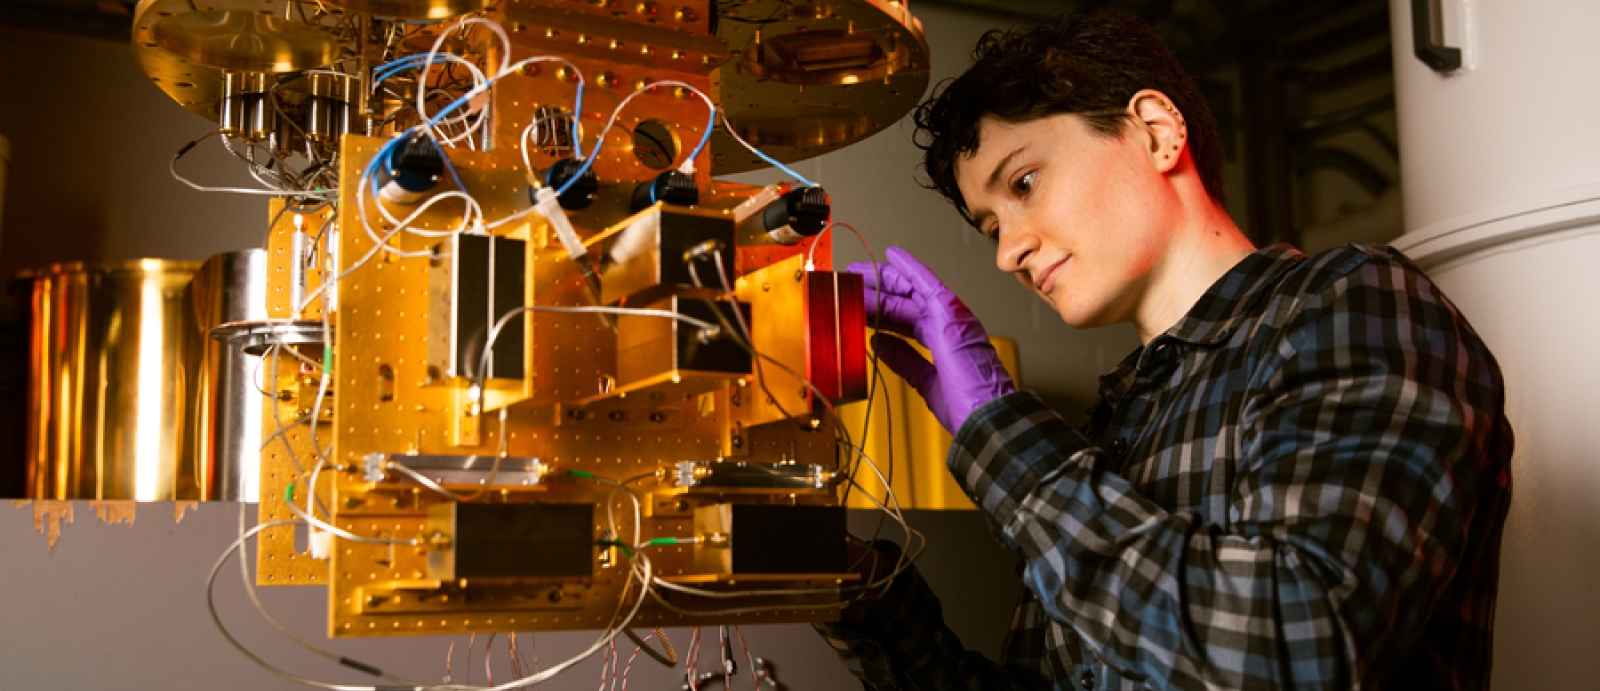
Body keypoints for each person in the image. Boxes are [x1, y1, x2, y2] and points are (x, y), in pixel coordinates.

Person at [816, 11, 1513, 691]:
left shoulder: (1358, 304)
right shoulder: (1119, 422)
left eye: (1024, 183)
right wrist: (858, 591)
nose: (1008, 251)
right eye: (992, 224)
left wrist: (1002, 439)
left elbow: (1297, 649)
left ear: (1155, 131)